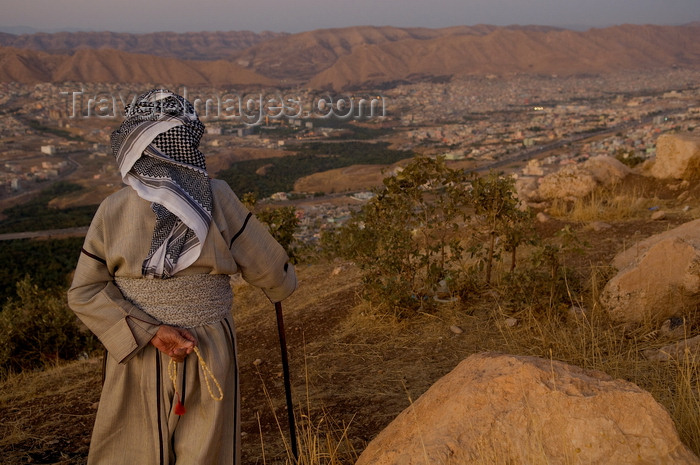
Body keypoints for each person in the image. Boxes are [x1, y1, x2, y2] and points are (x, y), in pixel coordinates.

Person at [67, 89, 297, 465]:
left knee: (132, 450)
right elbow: (270, 268)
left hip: (137, 348)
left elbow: (86, 291)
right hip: (208, 345)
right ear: (187, 139)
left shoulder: (113, 208)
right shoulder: (217, 196)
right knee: (206, 449)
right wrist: (282, 285)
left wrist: (151, 332)